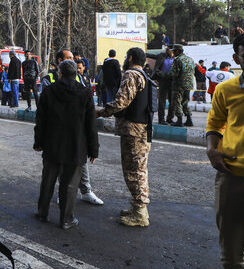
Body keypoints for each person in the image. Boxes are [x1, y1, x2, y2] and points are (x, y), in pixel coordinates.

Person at [205, 31, 244, 269]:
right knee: (232, 253)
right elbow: (215, 124)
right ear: (237, 59)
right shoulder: (226, 90)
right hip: (232, 177)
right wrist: (211, 150)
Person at [34, 60, 99, 229]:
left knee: (48, 180)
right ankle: (66, 219)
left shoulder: (48, 91)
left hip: (52, 144)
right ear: (76, 74)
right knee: (70, 185)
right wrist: (94, 150)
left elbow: (41, 120)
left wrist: (38, 142)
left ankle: (42, 213)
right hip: (76, 147)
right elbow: (91, 124)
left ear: (60, 74)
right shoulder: (85, 93)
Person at [97, 47, 155, 227]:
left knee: (134, 170)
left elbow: (122, 102)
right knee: (139, 168)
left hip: (133, 130)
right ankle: (138, 207)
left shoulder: (131, 75)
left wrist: (101, 112)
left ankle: (140, 213)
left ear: (130, 58)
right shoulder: (144, 75)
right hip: (143, 128)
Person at [42, 49, 103, 206]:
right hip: (57, 130)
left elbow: (86, 107)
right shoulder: (49, 79)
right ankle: (61, 195)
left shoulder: (80, 79)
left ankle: (86, 191)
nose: (74, 61)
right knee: (60, 164)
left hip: (76, 130)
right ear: (60, 60)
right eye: (69, 58)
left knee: (80, 162)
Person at [167, 44, 195, 127]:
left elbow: (173, 73)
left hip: (179, 84)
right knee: (185, 102)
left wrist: (162, 74)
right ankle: (189, 120)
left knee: (177, 102)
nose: (173, 53)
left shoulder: (178, 60)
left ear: (178, 51)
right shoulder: (190, 59)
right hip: (189, 84)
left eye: (174, 51)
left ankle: (179, 120)